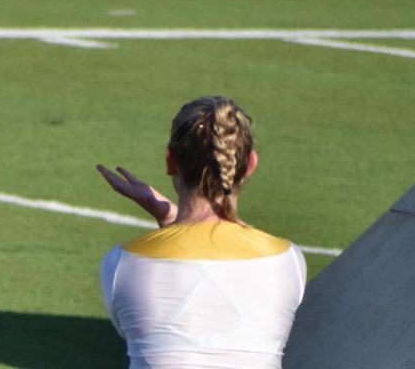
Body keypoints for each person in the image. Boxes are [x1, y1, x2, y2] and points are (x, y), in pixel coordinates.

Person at [96, 96, 306, 369]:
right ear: (250, 164)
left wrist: (172, 217)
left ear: (171, 161)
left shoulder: (122, 262)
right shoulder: (287, 261)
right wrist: (171, 217)